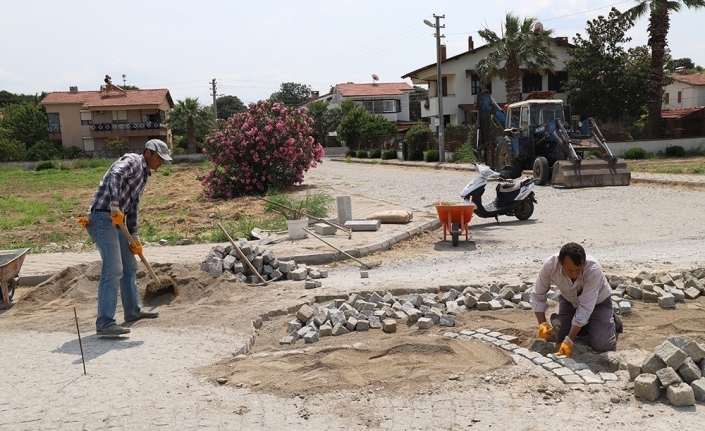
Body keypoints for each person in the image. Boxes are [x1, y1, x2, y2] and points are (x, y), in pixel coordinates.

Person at [85, 139, 172, 335]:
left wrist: (135, 237)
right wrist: (115, 205)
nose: (162, 163)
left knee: (130, 265)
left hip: (118, 221)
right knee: (114, 268)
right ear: (149, 153)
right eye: (160, 158)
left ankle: (133, 311)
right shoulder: (133, 161)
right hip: (102, 216)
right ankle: (105, 323)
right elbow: (115, 175)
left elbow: (133, 207)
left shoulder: (144, 175)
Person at [530, 242, 617, 357]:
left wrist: (569, 340)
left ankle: (610, 319)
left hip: (598, 304)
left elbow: (585, 307)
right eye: (570, 270)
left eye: (578, 270)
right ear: (560, 262)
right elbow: (537, 294)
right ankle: (582, 325)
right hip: (569, 302)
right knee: (551, 336)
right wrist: (542, 324)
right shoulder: (550, 265)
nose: (575, 275)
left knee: (603, 345)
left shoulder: (593, 270)